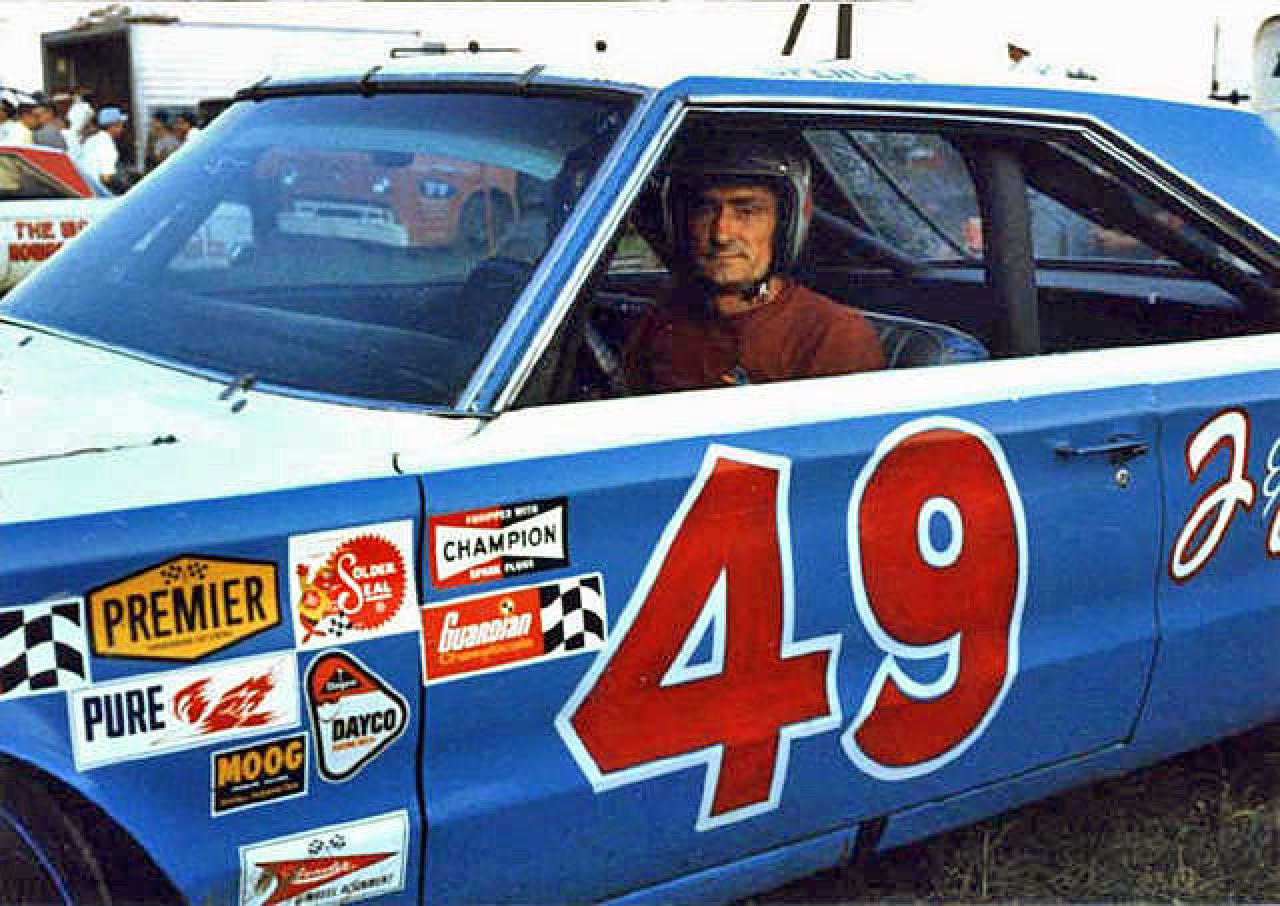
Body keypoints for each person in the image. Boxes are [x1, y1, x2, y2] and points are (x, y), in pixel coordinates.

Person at [622, 136, 884, 393]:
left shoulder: (832, 335)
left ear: (783, 226)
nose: (721, 234)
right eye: (705, 210)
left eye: (746, 212)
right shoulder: (661, 320)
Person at [80, 107, 128, 192]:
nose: (122, 128)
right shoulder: (106, 144)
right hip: (97, 190)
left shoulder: (93, 139)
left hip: (86, 184)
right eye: (121, 125)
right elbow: (106, 177)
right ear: (113, 126)